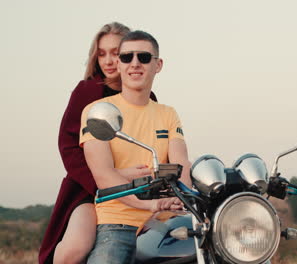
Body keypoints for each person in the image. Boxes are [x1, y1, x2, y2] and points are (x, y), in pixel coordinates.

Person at [39, 23, 158, 264]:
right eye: (101, 54)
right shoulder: (88, 91)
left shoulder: (150, 99)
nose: (108, 61)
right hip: (88, 190)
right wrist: (108, 179)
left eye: (115, 53)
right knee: (76, 248)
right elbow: (68, 147)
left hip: (135, 190)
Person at [80, 30, 192, 263]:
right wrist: (149, 203)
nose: (134, 64)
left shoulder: (168, 114)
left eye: (143, 57)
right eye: (126, 57)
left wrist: (180, 202)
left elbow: (181, 164)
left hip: (164, 221)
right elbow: (103, 175)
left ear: (158, 64)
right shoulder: (98, 112)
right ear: (118, 65)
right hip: (117, 224)